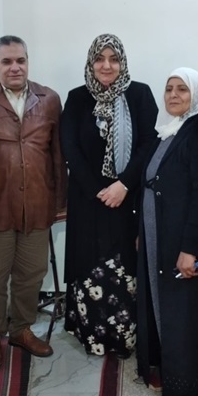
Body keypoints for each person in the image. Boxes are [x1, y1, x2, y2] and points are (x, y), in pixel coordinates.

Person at [0, 35, 66, 371]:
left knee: (31, 274)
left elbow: (57, 154)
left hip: (37, 205)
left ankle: (21, 329)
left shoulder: (48, 99)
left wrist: (59, 202)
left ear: (27, 61)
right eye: (6, 61)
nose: (15, 67)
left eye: (20, 60)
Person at [61, 33, 158, 358]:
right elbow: (69, 147)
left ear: (122, 62)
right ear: (91, 63)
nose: (107, 65)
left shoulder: (140, 95)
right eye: (100, 59)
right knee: (89, 265)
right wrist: (97, 190)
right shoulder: (77, 98)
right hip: (88, 201)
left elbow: (148, 143)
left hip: (127, 201)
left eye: (113, 59)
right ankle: (92, 335)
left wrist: (123, 185)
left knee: (124, 267)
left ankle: (124, 337)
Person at [136, 67, 198, 396]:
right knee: (167, 307)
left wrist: (192, 250)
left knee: (189, 315)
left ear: (196, 95)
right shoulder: (169, 131)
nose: (173, 95)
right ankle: (170, 373)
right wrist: (143, 232)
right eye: (169, 88)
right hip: (160, 236)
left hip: (186, 244)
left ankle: (195, 394)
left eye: (182, 90)